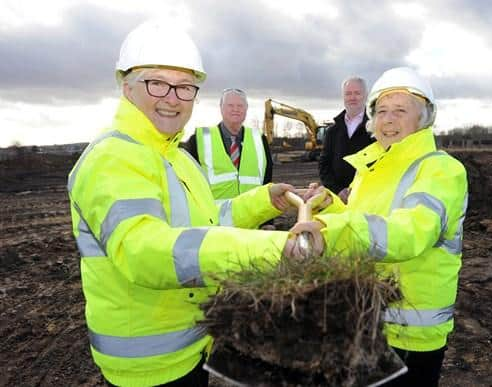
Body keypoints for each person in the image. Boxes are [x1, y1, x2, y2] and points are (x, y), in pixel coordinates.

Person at [67, 20, 313, 387]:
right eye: (157, 83)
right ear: (126, 86)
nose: (172, 97)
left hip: (188, 343)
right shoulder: (113, 158)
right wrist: (277, 249)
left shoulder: (176, 157)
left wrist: (265, 201)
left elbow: (209, 221)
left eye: (184, 87)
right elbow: (146, 251)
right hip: (149, 363)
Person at [293, 67, 469, 386]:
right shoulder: (371, 166)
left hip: (410, 333)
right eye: (382, 111)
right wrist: (329, 204)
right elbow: (363, 215)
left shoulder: (441, 171)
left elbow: (409, 233)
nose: (389, 120)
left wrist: (331, 233)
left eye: (401, 111)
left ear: (424, 118)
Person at [184, 88, 275, 229]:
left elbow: (266, 183)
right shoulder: (199, 140)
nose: (236, 110)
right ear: (221, 109)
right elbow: (188, 186)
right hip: (215, 227)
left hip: (253, 225)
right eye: (230, 106)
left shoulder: (259, 140)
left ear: (246, 110)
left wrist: (268, 221)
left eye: (240, 106)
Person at [318, 76, 374, 202]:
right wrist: (338, 190)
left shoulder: (376, 128)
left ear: (366, 95)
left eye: (357, 93)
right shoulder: (333, 131)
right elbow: (324, 164)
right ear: (343, 97)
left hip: (368, 199)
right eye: (348, 94)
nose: (352, 97)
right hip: (338, 200)